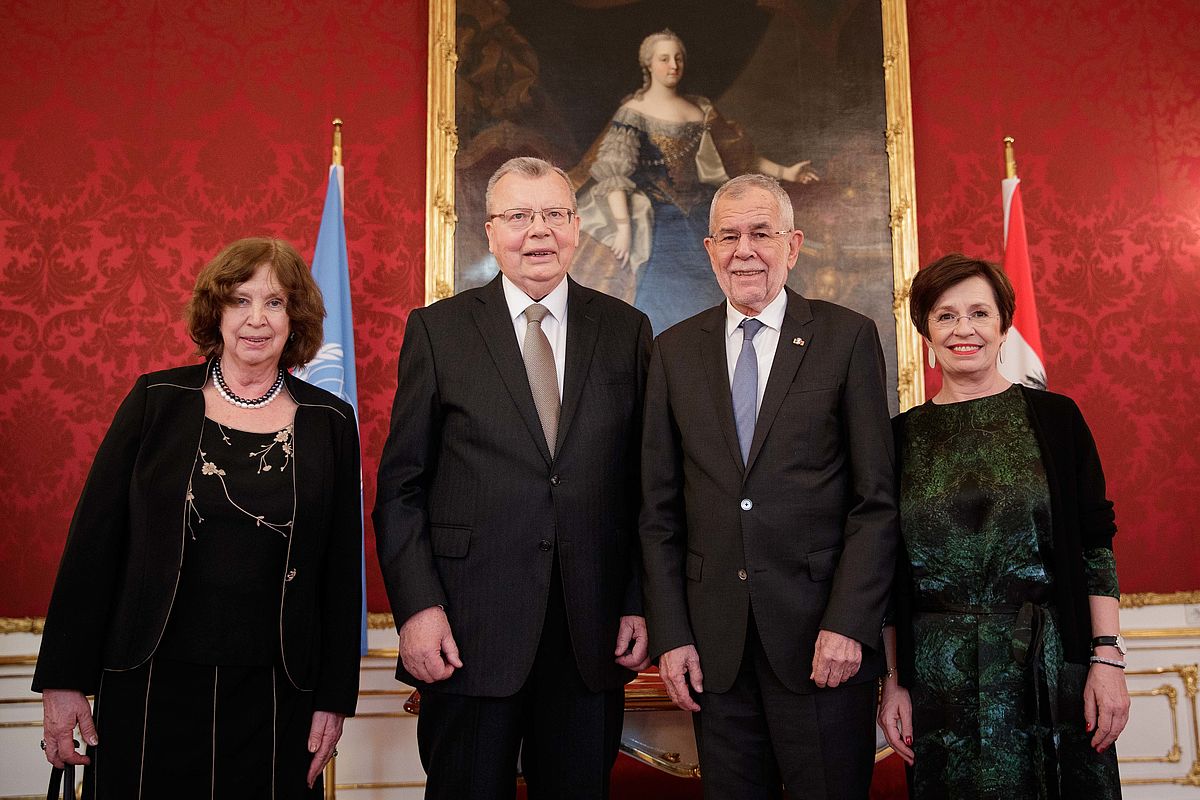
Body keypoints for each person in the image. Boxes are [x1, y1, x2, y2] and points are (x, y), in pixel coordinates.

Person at [33, 237, 363, 797]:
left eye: (275, 302)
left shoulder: (328, 420)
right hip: (149, 679)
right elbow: (93, 545)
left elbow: (339, 570)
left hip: (278, 690)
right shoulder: (156, 400)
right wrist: (63, 683)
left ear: (296, 316)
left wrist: (333, 700)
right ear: (217, 311)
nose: (256, 319)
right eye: (240, 300)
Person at [373, 156, 652, 799]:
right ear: (490, 232)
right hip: (467, 631)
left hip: (591, 634)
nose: (538, 231)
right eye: (519, 216)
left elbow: (648, 489)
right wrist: (417, 609)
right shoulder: (438, 331)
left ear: (577, 227)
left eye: (553, 214)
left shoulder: (625, 331)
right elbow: (402, 489)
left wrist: (639, 601)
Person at [639, 173, 897, 799]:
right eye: (729, 236)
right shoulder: (673, 351)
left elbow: (876, 503)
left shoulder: (847, 338)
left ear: (794, 244)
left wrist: (849, 623)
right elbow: (658, 511)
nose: (744, 250)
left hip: (823, 646)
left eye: (761, 233)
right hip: (716, 653)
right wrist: (671, 635)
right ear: (709, 250)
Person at [878, 253, 1129, 798]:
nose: (963, 329)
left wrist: (1106, 659)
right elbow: (886, 571)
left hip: (1048, 666)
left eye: (978, 313)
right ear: (925, 330)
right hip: (936, 675)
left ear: (1003, 325)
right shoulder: (895, 440)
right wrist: (893, 683)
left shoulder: (1058, 420)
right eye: (945, 316)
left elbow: (1094, 546)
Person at [572, 28, 818, 335]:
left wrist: (787, 172)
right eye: (664, 59)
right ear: (648, 64)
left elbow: (739, 158)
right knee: (657, 288)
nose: (673, 65)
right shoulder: (634, 112)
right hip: (659, 215)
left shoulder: (699, 108)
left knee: (717, 279)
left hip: (702, 210)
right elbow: (614, 173)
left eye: (678, 58)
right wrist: (623, 228)